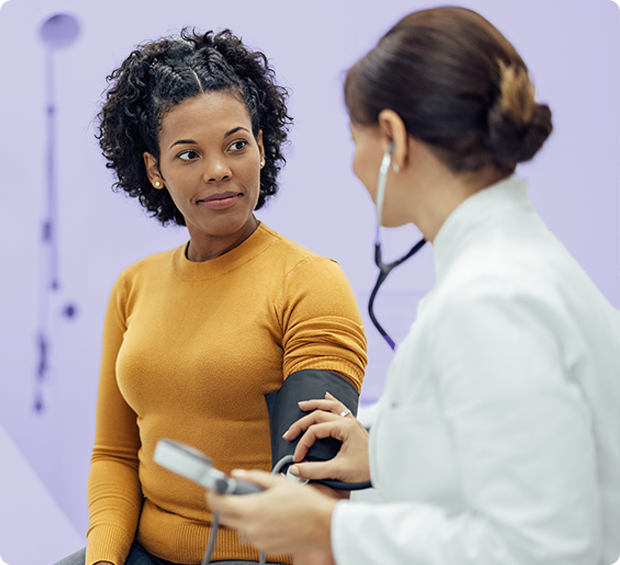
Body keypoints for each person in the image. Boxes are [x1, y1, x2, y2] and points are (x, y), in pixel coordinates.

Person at [207, 7, 620, 564]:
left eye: (356, 139)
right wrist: (386, 451)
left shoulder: (491, 300)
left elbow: (543, 550)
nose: (354, 165)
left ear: (393, 139)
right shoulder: (514, 266)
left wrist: (330, 533)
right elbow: (513, 454)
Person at [55, 29, 367, 565]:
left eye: (236, 144)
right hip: (141, 551)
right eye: (188, 154)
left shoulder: (310, 282)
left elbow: (311, 484)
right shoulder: (134, 287)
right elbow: (112, 453)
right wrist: (103, 560)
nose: (218, 169)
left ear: (263, 148)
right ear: (154, 169)